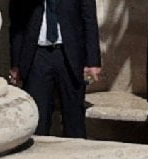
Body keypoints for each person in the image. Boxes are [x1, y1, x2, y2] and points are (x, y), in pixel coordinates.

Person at [8, 0, 102, 138]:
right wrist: (16, 64)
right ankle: (39, 156)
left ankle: (75, 154)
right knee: (38, 115)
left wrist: (93, 61)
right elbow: (16, 25)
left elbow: (89, 21)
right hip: (37, 55)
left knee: (74, 116)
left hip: (69, 55)